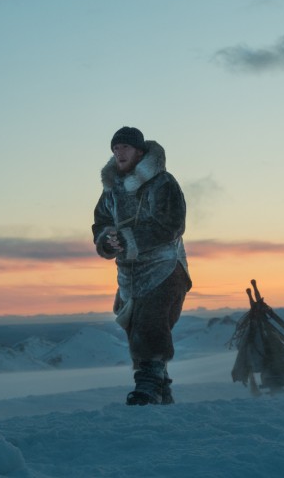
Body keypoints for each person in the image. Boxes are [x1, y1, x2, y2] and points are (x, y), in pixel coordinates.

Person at [92, 126, 192, 405]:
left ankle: (147, 385)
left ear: (139, 151)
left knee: (151, 323)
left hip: (164, 268)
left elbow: (172, 225)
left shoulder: (163, 183)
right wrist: (107, 241)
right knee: (134, 326)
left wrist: (128, 238)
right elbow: (101, 221)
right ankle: (161, 389)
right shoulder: (111, 190)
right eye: (115, 148)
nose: (118, 152)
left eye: (124, 147)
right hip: (129, 273)